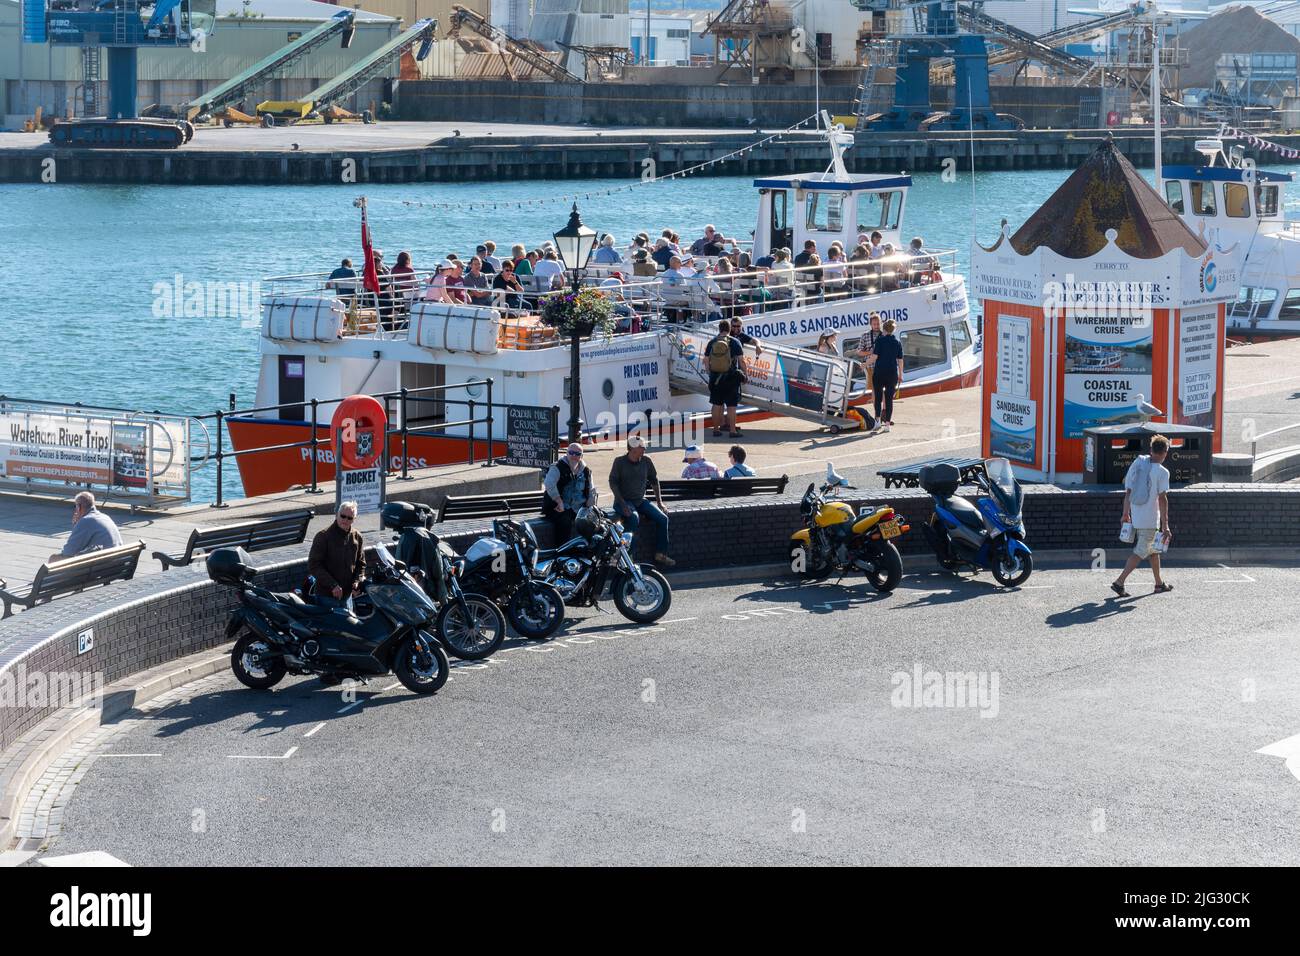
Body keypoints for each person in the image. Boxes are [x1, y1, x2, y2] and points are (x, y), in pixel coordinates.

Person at [1111, 435, 1173, 597]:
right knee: (1139, 552)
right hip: (1150, 519)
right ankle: (1119, 582)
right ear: (1165, 452)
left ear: (1151, 450)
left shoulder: (1137, 464)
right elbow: (1162, 498)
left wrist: (1125, 514)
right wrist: (1165, 525)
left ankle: (1159, 584)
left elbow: (1128, 492)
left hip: (1136, 516)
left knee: (1153, 551)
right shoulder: (1162, 472)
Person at [609, 435, 673, 567]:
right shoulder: (619, 462)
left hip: (639, 500)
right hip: (623, 501)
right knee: (633, 518)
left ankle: (661, 554)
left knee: (663, 518)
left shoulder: (646, 461)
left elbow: (654, 481)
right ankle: (627, 556)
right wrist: (622, 504)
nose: (644, 449)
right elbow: (613, 484)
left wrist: (660, 502)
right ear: (633, 449)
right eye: (641, 447)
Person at [308, 501, 365, 608]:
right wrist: (333, 585)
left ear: (354, 519)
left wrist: (357, 581)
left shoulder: (357, 536)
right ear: (337, 515)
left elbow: (361, 563)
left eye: (350, 518)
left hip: (347, 596)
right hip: (326, 596)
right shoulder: (323, 536)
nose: (345, 520)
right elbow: (314, 565)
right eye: (343, 516)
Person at [542, 443, 595, 543]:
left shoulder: (586, 471)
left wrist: (590, 506)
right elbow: (549, 484)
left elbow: (591, 489)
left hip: (578, 508)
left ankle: (586, 550)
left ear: (581, 456)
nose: (574, 456)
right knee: (565, 521)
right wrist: (559, 501)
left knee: (593, 522)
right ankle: (562, 552)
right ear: (566, 453)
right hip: (558, 508)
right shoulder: (557, 467)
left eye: (577, 453)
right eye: (571, 453)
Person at [50, 492, 122, 562]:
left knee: (54, 558)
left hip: (102, 565)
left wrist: (78, 525)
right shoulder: (105, 517)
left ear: (79, 507)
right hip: (115, 563)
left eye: (75, 506)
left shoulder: (86, 521)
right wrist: (77, 525)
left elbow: (68, 552)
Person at [705, 318, 745, 438]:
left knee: (716, 405)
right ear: (729, 329)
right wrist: (745, 375)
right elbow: (741, 361)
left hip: (716, 378)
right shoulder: (734, 342)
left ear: (719, 329)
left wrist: (710, 374)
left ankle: (716, 429)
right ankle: (732, 431)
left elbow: (706, 361)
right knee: (731, 406)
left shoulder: (712, 342)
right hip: (731, 378)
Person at [870, 318, 904, 432]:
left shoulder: (880, 340)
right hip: (892, 374)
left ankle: (878, 422)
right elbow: (900, 360)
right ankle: (888, 425)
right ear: (893, 330)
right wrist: (900, 375)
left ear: (884, 329)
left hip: (879, 373)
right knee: (889, 400)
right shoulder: (897, 342)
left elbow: (874, 357)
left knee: (878, 398)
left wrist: (864, 364)